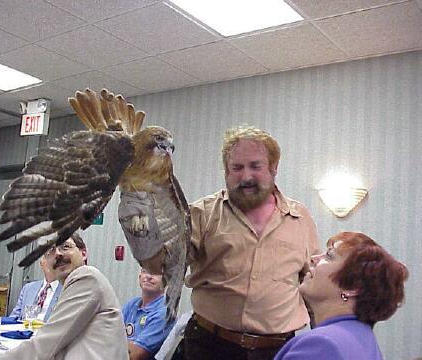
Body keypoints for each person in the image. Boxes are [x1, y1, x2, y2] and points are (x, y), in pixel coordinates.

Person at [121, 126, 320, 359]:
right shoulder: (202, 214)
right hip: (210, 346)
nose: (246, 176)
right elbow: (162, 268)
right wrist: (137, 220)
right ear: (226, 171)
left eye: (255, 166)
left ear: (273, 168)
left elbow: (313, 287)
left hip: (277, 350)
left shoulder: (300, 218)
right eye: (237, 167)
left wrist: (326, 338)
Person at [274, 232, 408, 360]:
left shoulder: (322, 344)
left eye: (329, 256)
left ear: (352, 288)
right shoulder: (365, 339)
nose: (313, 259)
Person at [0, 233, 128, 360]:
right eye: (50, 251)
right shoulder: (72, 284)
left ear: (83, 253)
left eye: (65, 246)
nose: (57, 254)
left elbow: (45, 343)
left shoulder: (86, 277)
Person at [123, 268, 175, 360]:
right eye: (145, 271)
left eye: (155, 273)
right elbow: (110, 333)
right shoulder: (132, 304)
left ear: (166, 280)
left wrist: (113, 342)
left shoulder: (165, 313)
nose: (148, 276)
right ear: (139, 277)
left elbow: (135, 355)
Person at [9, 255, 62, 322]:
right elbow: (14, 318)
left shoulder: (66, 291)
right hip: (24, 330)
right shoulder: (28, 288)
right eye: (48, 257)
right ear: (41, 263)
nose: (51, 262)